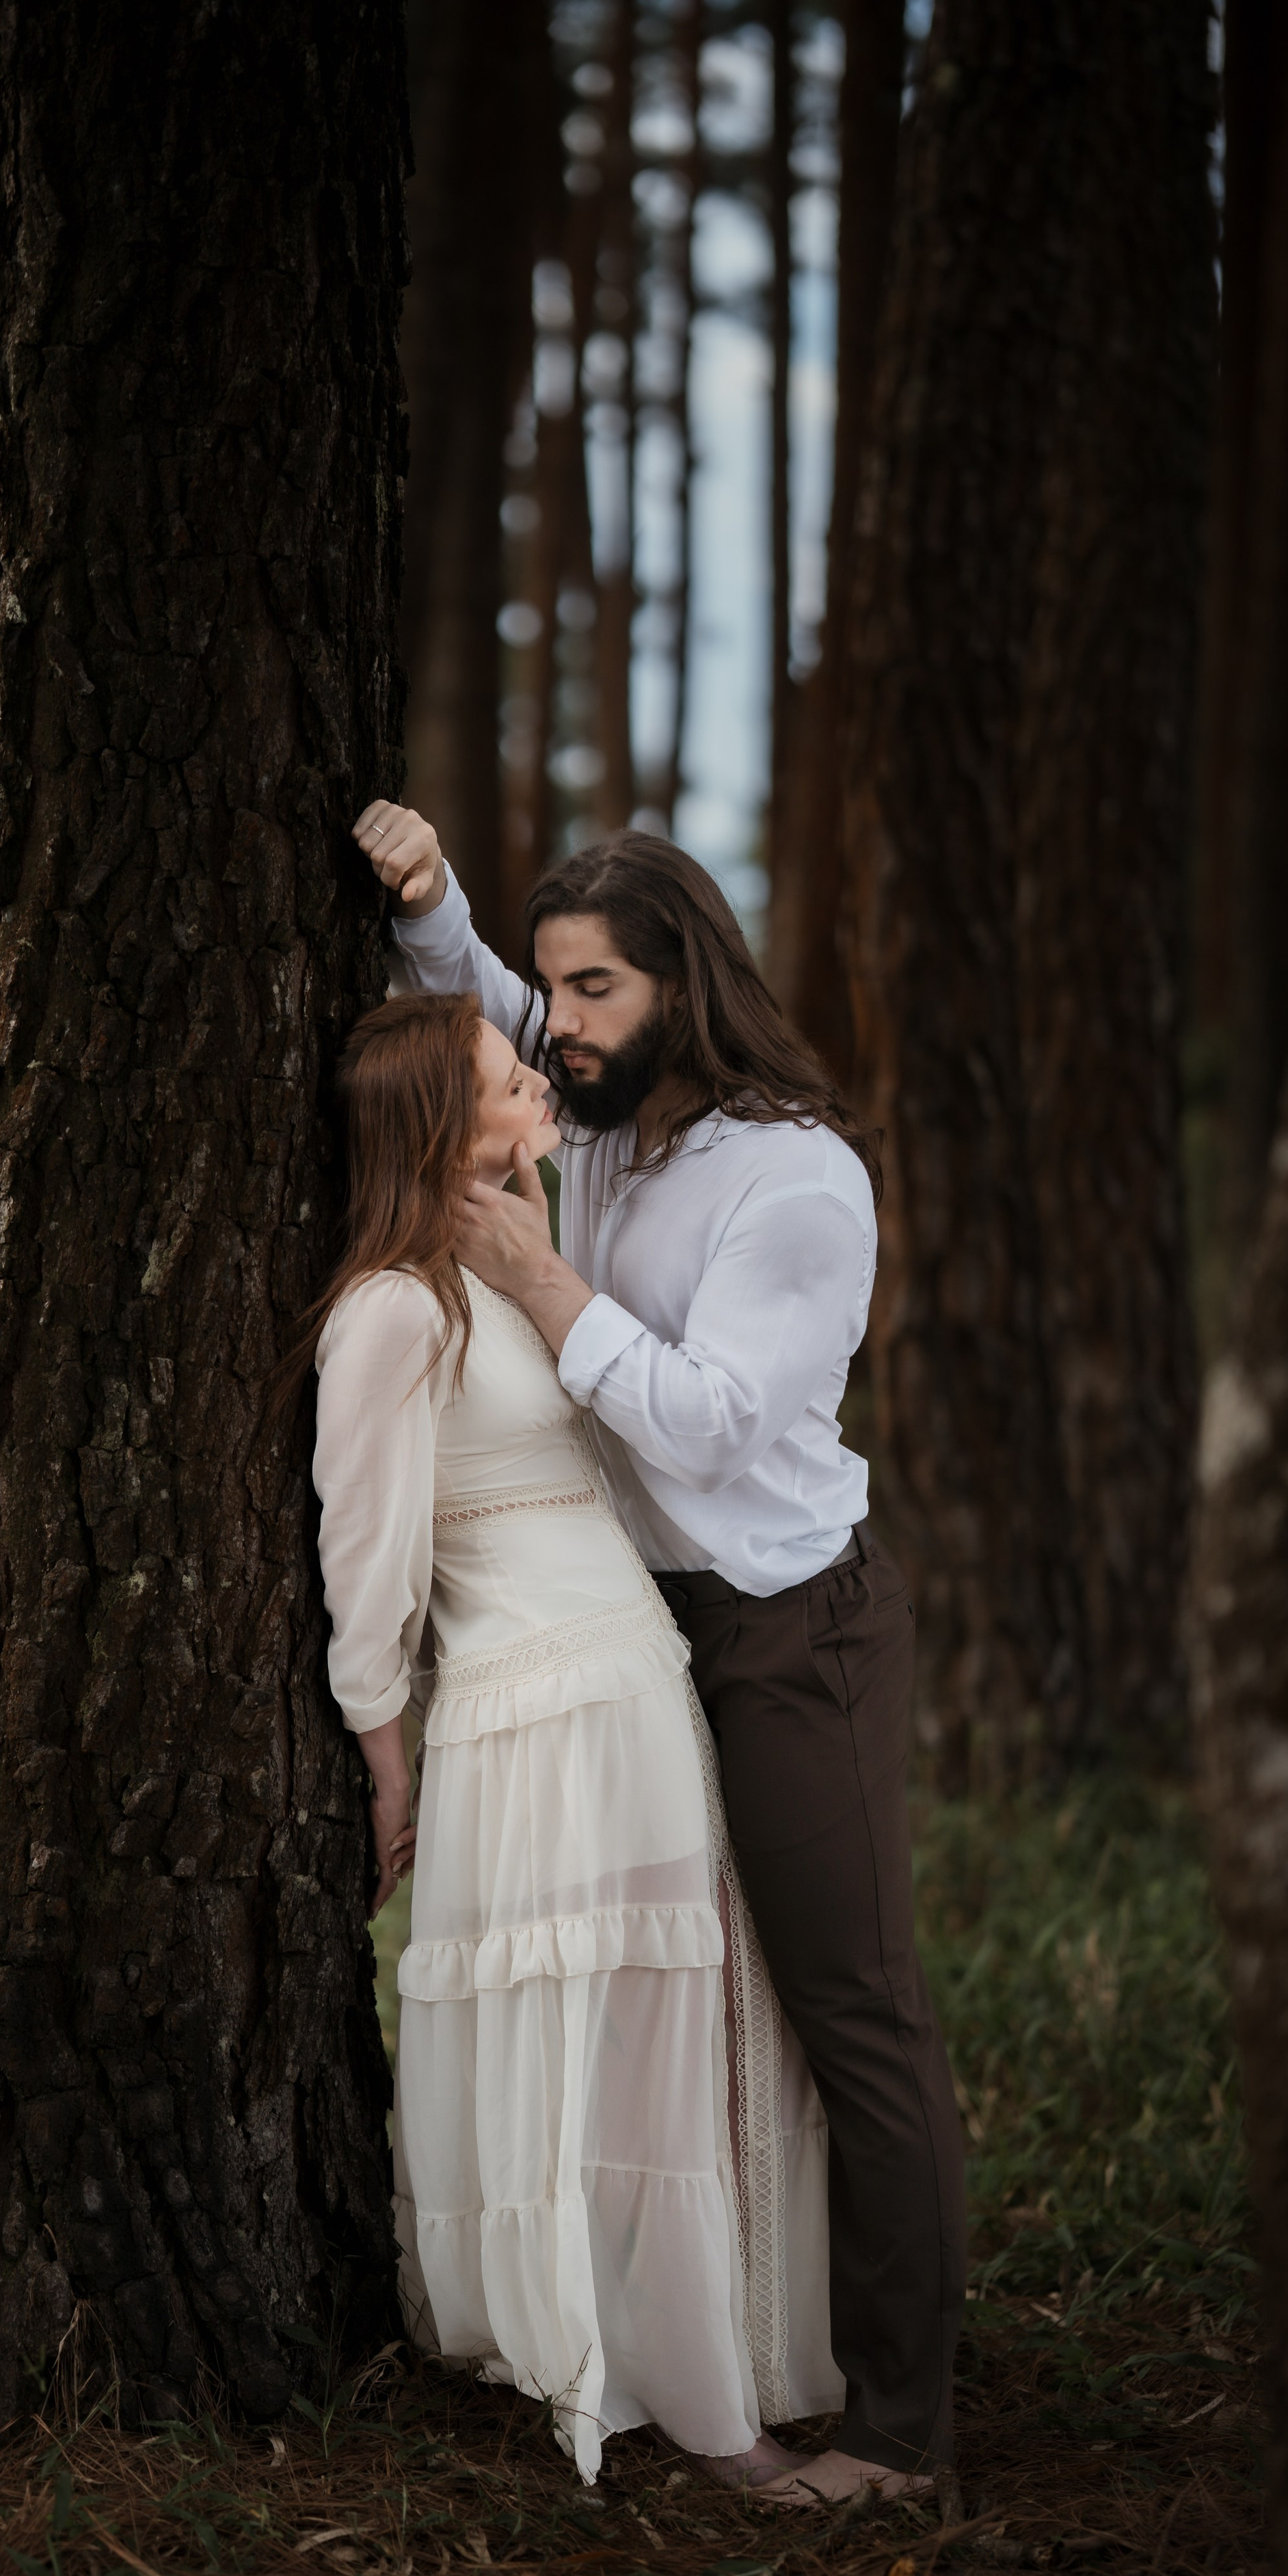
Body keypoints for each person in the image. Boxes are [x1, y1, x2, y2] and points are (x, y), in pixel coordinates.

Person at [352, 799, 967, 2505]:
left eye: (597, 989)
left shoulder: (798, 1180)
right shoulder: (604, 1122)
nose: (560, 1024)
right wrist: (430, 898)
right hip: (645, 1643)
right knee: (711, 2028)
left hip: (788, 1634)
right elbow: (472, 994)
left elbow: (705, 1430)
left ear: (686, 984)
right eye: (552, 991)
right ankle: (692, 2345)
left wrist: (544, 1290)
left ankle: (901, 2432)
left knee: (850, 2014)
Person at [301, 988, 844, 2491]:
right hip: (530, 1716)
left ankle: (699, 2385)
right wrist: (383, 1753)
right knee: (596, 2057)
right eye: (501, 1076)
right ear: (439, 1126)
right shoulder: (392, 1310)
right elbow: (368, 1556)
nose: (538, 1076)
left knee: (671, 2043)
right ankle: (669, 2408)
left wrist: (538, 1241)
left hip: (629, 1694)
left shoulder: (523, 1281)